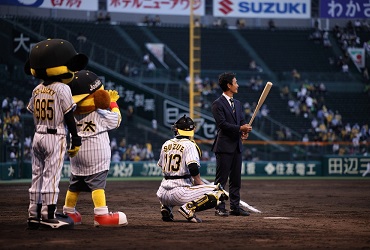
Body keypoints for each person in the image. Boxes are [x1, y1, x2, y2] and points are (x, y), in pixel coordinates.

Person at [24, 38, 87, 229]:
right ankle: (49, 216)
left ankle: (33, 214)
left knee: (37, 176)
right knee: (51, 177)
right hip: (55, 135)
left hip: (38, 135)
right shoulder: (63, 88)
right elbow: (69, 116)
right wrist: (75, 138)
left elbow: (31, 111)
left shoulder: (37, 89)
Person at [62, 70, 128, 227]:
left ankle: (69, 212)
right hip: (96, 154)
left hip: (76, 154)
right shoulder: (99, 113)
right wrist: (112, 102)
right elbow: (117, 119)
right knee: (97, 185)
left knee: (75, 184)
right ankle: (101, 215)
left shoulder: (70, 114)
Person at [156, 115, 229, 223]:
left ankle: (167, 207)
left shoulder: (166, 144)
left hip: (162, 193)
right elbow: (193, 168)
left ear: (177, 130)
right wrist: (199, 183)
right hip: (179, 192)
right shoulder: (189, 145)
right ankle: (188, 208)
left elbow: (162, 166)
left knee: (171, 190)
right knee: (219, 191)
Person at [211, 72, 252, 217]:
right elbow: (222, 124)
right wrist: (240, 129)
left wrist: (244, 131)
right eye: (235, 82)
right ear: (229, 85)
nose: (238, 85)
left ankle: (235, 207)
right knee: (221, 180)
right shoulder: (217, 104)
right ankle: (219, 207)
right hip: (224, 147)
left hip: (236, 146)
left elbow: (240, 121)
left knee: (236, 179)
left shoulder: (238, 104)